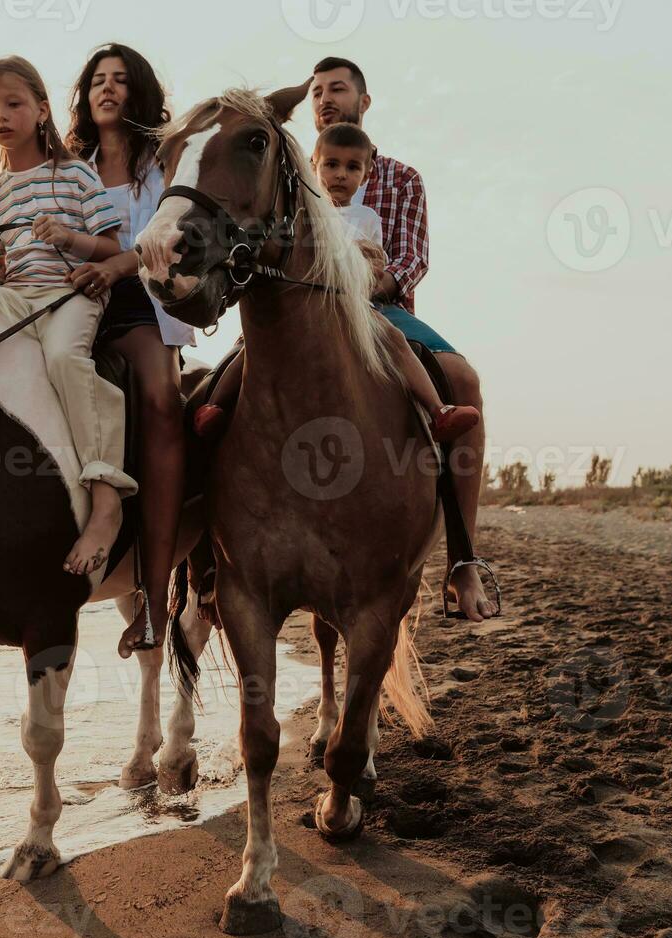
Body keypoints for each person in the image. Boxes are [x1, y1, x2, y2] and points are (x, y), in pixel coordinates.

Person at [0, 55, 137, 576]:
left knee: (66, 359)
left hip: (69, 294)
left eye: (13, 104)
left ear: (42, 110)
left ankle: (106, 496)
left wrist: (69, 238)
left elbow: (110, 246)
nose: (0, 116)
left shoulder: (74, 175)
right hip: (15, 301)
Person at [309, 55, 498, 622]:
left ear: (364, 103)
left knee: (463, 379)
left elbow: (412, 258)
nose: (324, 99)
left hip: (381, 306)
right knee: (220, 384)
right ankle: (212, 565)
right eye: (316, 91)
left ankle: (463, 563)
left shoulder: (401, 178)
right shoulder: (295, 174)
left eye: (337, 89)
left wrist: (369, 278)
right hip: (307, 307)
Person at [195, 125, 480, 444]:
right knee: (248, 346)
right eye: (332, 165)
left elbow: (375, 263)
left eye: (352, 167)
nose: (341, 175)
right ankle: (214, 404)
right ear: (313, 165)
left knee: (395, 340)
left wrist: (363, 269)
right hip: (300, 306)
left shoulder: (367, 218)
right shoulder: (301, 215)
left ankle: (439, 410)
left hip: (355, 305)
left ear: (366, 173)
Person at [64, 43, 193, 656]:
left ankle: (155, 592)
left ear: (137, 92)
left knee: (162, 403)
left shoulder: (164, 161)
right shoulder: (69, 165)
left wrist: (119, 265)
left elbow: (167, 236)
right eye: (97, 81)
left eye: (119, 80)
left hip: (142, 302)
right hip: (73, 301)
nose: (107, 89)